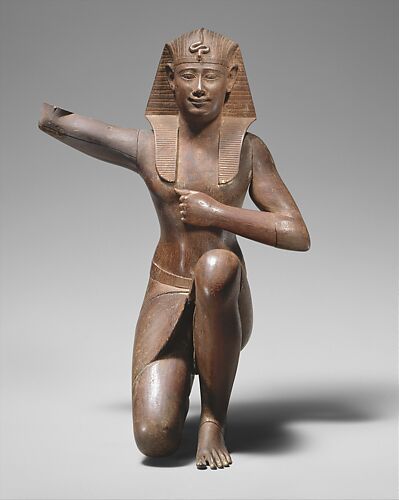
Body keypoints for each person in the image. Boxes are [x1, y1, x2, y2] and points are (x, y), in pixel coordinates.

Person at [38, 28, 310, 470]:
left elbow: (297, 232)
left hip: (223, 293)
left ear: (231, 80)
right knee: (155, 439)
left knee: (216, 265)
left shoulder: (248, 151)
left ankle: (213, 421)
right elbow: (70, 126)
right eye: (187, 75)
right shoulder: (149, 147)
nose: (199, 88)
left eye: (210, 76)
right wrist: (44, 114)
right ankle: (181, 377)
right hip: (166, 292)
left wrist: (217, 213)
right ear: (169, 80)